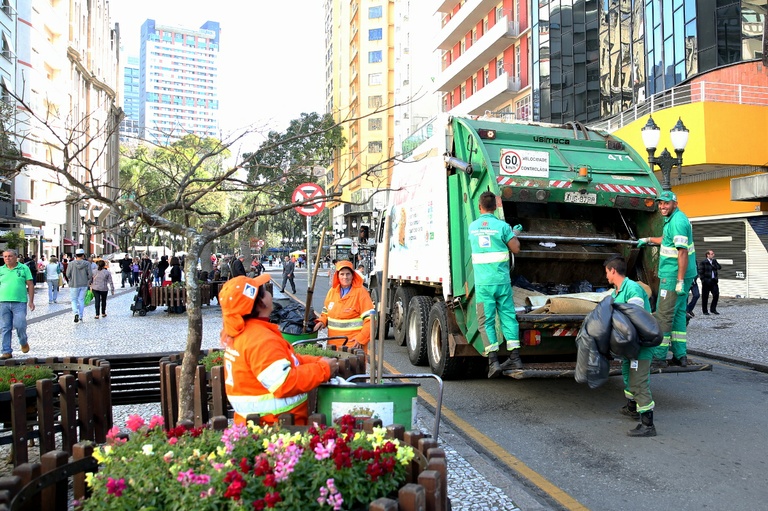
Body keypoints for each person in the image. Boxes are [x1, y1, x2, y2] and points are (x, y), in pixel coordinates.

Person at [221, 274, 338, 426]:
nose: (269, 293)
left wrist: (317, 361)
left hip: (258, 426)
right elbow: (285, 383)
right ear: (260, 303)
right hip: (275, 429)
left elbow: (288, 361)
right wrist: (323, 369)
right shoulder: (261, 340)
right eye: (264, 290)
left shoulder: (243, 333)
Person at [468, 191, 523, 378]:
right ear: (496, 207)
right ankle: (515, 357)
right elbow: (516, 248)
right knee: (508, 317)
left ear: (479, 206)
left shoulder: (472, 227)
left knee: (486, 321)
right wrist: (514, 233)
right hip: (502, 282)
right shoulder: (502, 226)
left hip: (484, 285)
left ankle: (494, 362)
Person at [637, 190, 696, 367]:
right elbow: (666, 240)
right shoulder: (674, 219)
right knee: (678, 314)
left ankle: (659, 356)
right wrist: (647, 239)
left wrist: (678, 281)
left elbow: (682, 252)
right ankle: (680, 355)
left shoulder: (677, 221)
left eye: (666, 203)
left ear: (675, 204)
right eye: (660, 203)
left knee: (664, 315)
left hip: (673, 277)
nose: (662, 206)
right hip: (682, 275)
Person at [604, 256, 657, 437]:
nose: (606, 277)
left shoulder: (633, 288)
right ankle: (632, 408)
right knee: (628, 374)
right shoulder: (615, 292)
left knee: (639, 382)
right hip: (628, 344)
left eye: (606, 272)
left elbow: (635, 317)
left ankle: (648, 425)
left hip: (639, 344)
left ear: (613, 271)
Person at [313, 261, 375, 353]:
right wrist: (322, 321)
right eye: (342, 274)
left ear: (352, 275)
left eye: (348, 274)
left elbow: (370, 320)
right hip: (333, 345)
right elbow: (326, 311)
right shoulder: (332, 292)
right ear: (337, 276)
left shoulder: (361, 293)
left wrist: (361, 338)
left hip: (353, 345)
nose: (345, 277)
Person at [0, 249, 34, 358]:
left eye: (10, 256)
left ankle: (23, 342)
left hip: (19, 302)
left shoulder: (24, 268)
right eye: (5, 256)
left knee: (20, 325)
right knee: (5, 327)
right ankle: (6, 351)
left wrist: (31, 301)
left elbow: (30, 284)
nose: (7, 258)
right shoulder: (1, 270)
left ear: (15, 257)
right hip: (3, 302)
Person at [67, 249, 92, 323]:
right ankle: (81, 316)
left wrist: (72, 278)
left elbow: (68, 274)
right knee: (81, 300)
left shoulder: (71, 264)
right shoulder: (87, 264)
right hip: (84, 284)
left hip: (74, 284)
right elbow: (90, 275)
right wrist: (87, 280)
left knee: (74, 300)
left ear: (76, 255)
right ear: (83, 255)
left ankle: (76, 313)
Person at [699, 250, 722, 316]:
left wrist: (714, 265)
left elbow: (719, 267)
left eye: (713, 254)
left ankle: (713, 309)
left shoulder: (714, 261)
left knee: (716, 294)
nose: (713, 255)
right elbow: (701, 272)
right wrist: (703, 280)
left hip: (714, 281)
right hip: (706, 281)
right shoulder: (703, 262)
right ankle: (705, 311)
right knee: (705, 297)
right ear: (707, 255)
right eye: (711, 254)